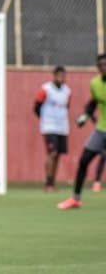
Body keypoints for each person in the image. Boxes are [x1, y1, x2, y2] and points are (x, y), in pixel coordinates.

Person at [58, 54, 106, 210]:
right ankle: (76, 199)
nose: (103, 68)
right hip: (101, 130)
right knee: (84, 160)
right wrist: (85, 116)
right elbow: (92, 104)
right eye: (101, 65)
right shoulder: (95, 83)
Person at [34, 66, 71, 191]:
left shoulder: (67, 91)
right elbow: (36, 106)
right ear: (54, 76)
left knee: (58, 155)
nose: (61, 78)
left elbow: (67, 107)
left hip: (62, 127)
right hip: (49, 127)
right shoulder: (45, 89)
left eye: (63, 76)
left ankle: (53, 182)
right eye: (59, 75)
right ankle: (48, 183)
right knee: (52, 153)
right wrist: (45, 119)